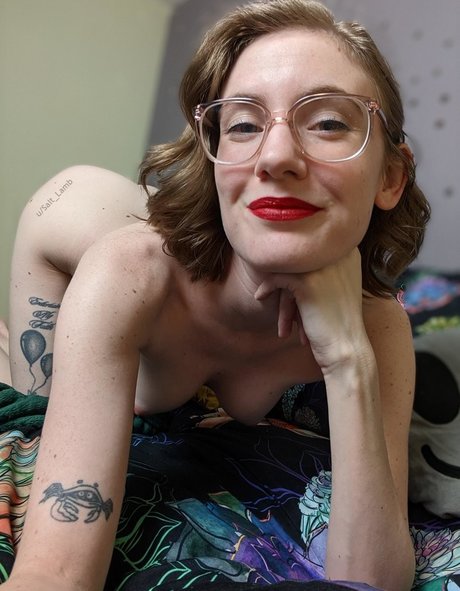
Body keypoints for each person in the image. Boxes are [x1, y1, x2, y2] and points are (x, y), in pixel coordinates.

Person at [1, 0, 430, 589]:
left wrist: (347, 359)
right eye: (244, 125)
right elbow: (55, 572)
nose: (276, 156)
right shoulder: (129, 277)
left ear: (390, 177)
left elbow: (374, 579)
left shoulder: (378, 324)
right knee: (42, 413)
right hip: (68, 231)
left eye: (329, 122)